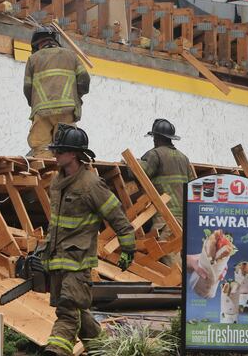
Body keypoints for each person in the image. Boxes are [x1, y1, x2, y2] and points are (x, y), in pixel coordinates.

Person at [38, 124, 135, 355]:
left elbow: (117, 216)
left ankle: (55, 351)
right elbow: (56, 224)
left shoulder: (91, 184)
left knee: (68, 312)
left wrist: (128, 248)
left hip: (78, 263)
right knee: (79, 312)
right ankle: (106, 350)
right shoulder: (56, 183)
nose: (55, 155)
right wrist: (43, 254)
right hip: (58, 261)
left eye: (59, 151)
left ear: (73, 154)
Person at [23, 27, 90, 158]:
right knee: (66, 145)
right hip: (66, 109)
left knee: (42, 147)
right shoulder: (71, 56)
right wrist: (76, 96)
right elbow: (84, 80)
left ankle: (48, 174)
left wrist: (34, 104)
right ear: (56, 41)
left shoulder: (33, 59)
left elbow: (27, 88)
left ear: (37, 44)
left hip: (42, 112)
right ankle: (64, 173)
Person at [137, 119, 193, 265]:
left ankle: (177, 286)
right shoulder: (184, 158)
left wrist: (131, 164)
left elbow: (140, 171)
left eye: (155, 137)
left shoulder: (155, 155)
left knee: (167, 249)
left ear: (157, 138)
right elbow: (193, 185)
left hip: (167, 215)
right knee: (180, 249)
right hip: (185, 214)